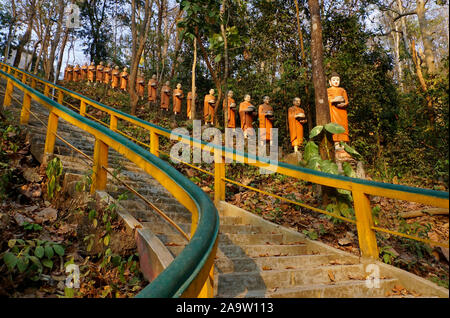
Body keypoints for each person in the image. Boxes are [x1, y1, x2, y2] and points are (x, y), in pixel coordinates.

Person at [327, 72, 351, 160]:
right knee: (335, 129)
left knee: (343, 127)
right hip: (333, 111)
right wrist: (333, 100)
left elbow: (346, 101)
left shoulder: (342, 90)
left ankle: (343, 147)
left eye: (337, 80)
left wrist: (344, 104)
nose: (336, 81)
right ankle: (337, 147)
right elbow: (327, 100)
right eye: (334, 80)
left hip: (342, 112)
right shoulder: (328, 90)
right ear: (330, 82)